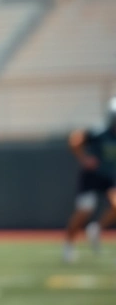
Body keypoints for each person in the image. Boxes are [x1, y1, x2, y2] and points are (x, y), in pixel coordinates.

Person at [62, 97, 116, 263]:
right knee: (84, 211)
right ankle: (69, 244)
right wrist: (83, 158)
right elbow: (75, 140)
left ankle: (96, 228)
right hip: (91, 178)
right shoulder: (99, 132)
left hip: (109, 177)